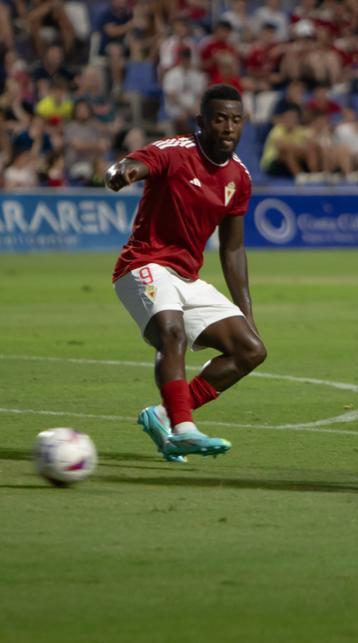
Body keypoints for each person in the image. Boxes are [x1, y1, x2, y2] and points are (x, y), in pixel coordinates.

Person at [105, 83, 266, 462]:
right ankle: (183, 428)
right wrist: (121, 173)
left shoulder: (239, 178)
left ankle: (161, 415)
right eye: (220, 119)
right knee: (171, 333)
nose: (228, 127)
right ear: (201, 122)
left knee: (250, 350)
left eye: (236, 120)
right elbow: (130, 164)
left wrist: (247, 312)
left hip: (185, 277)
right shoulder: (175, 153)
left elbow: (233, 248)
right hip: (143, 263)